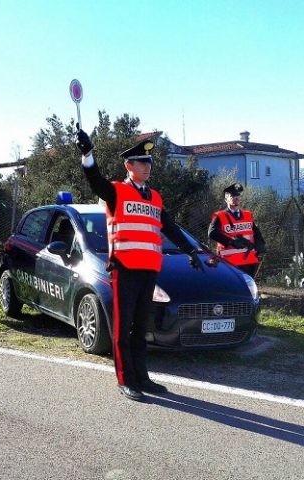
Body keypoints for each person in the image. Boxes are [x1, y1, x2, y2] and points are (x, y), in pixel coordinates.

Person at [75, 126, 202, 402]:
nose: (148, 167)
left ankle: (142, 377)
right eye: (142, 163)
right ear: (129, 165)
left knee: (141, 326)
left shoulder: (154, 197)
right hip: (125, 270)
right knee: (123, 327)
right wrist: (88, 154)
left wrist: (191, 250)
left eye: (150, 163)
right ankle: (126, 380)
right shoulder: (117, 192)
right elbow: (95, 181)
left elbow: (170, 228)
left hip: (149, 271)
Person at [208, 182, 267, 277]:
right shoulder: (219, 216)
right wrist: (230, 241)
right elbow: (212, 233)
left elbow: (256, 232)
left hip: (249, 262)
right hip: (228, 263)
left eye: (238, 195)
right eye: (232, 196)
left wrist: (261, 244)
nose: (236, 198)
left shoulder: (248, 215)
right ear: (226, 199)